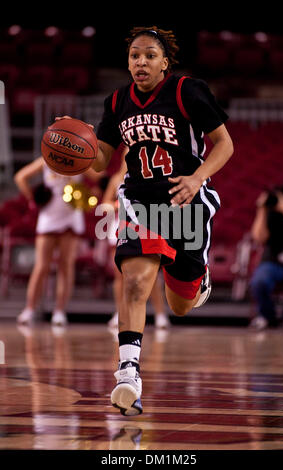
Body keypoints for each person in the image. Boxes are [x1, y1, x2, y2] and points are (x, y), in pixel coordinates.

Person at [56, 26, 233, 416]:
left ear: (165, 62)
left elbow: (225, 143)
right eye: (135, 55)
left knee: (180, 305)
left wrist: (197, 177)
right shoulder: (117, 101)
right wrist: (76, 141)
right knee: (135, 281)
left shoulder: (187, 91)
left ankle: (196, 275)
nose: (140, 61)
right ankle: (128, 372)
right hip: (139, 201)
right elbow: (102, 159)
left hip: (185, 199)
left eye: (150, 55)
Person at [14, 157, 97, 326]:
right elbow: (20, 177)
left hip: (71, 213)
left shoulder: (80, 160)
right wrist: (33, 197)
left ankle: (59, 311)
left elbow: (98, 177)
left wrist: (92, 192)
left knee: (66, 265)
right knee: (42, 265)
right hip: (49, 213)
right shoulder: (46, 159)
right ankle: (29, 309)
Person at [102, 153, 170, 329]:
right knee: (120, 276)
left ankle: (160, 314)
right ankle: (120, 312)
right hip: (120, 226)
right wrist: (118, 205)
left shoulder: (149, 177)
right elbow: (105, 203)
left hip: (145, 224)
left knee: (151, 274)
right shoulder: (117, 179)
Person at [249, 180, 283, 331]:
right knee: (259, 280)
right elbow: (258, 237)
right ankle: (266, 316)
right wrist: (261, 209)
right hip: (272, 262)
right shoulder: (272, 212)